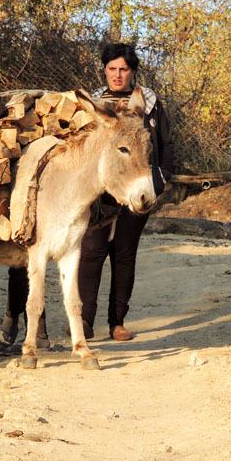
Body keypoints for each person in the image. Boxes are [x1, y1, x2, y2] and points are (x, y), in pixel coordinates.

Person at [79, 42, 174, 341]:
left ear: (132, 71)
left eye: (123, 69)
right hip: (100, 193)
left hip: (137, 191)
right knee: (92, 252)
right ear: (104, 70)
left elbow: (166, 144)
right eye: (112, 69)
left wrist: (158, 180)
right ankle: (83, 321)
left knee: (124, 254)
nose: (117, 75)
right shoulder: (93, 104)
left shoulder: (149, 102)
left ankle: (117, 322)